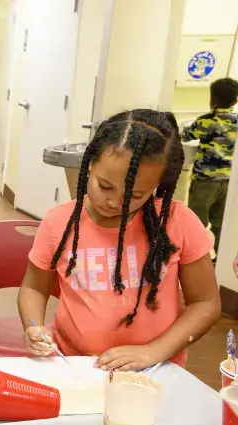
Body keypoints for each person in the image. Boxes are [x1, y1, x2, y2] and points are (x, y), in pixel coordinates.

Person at [18, 109, 221, 371]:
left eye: (135, 195)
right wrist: (33, 326)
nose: (115, 202)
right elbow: (34, 288)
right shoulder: (59, 222)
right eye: (105, 186)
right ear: (90, 164)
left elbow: (205, 303)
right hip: (76, 365)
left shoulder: (175, 221)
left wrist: (153, 351)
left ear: (157, 186)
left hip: (155, 368)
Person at [184, 77, 237, 257]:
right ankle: (220, 262)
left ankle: (194, 259)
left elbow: (185, 136)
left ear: (211, 99)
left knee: (195, 223)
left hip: (205, 182)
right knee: (221, 223)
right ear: (235, 101)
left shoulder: (205, 121)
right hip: (229, 183)